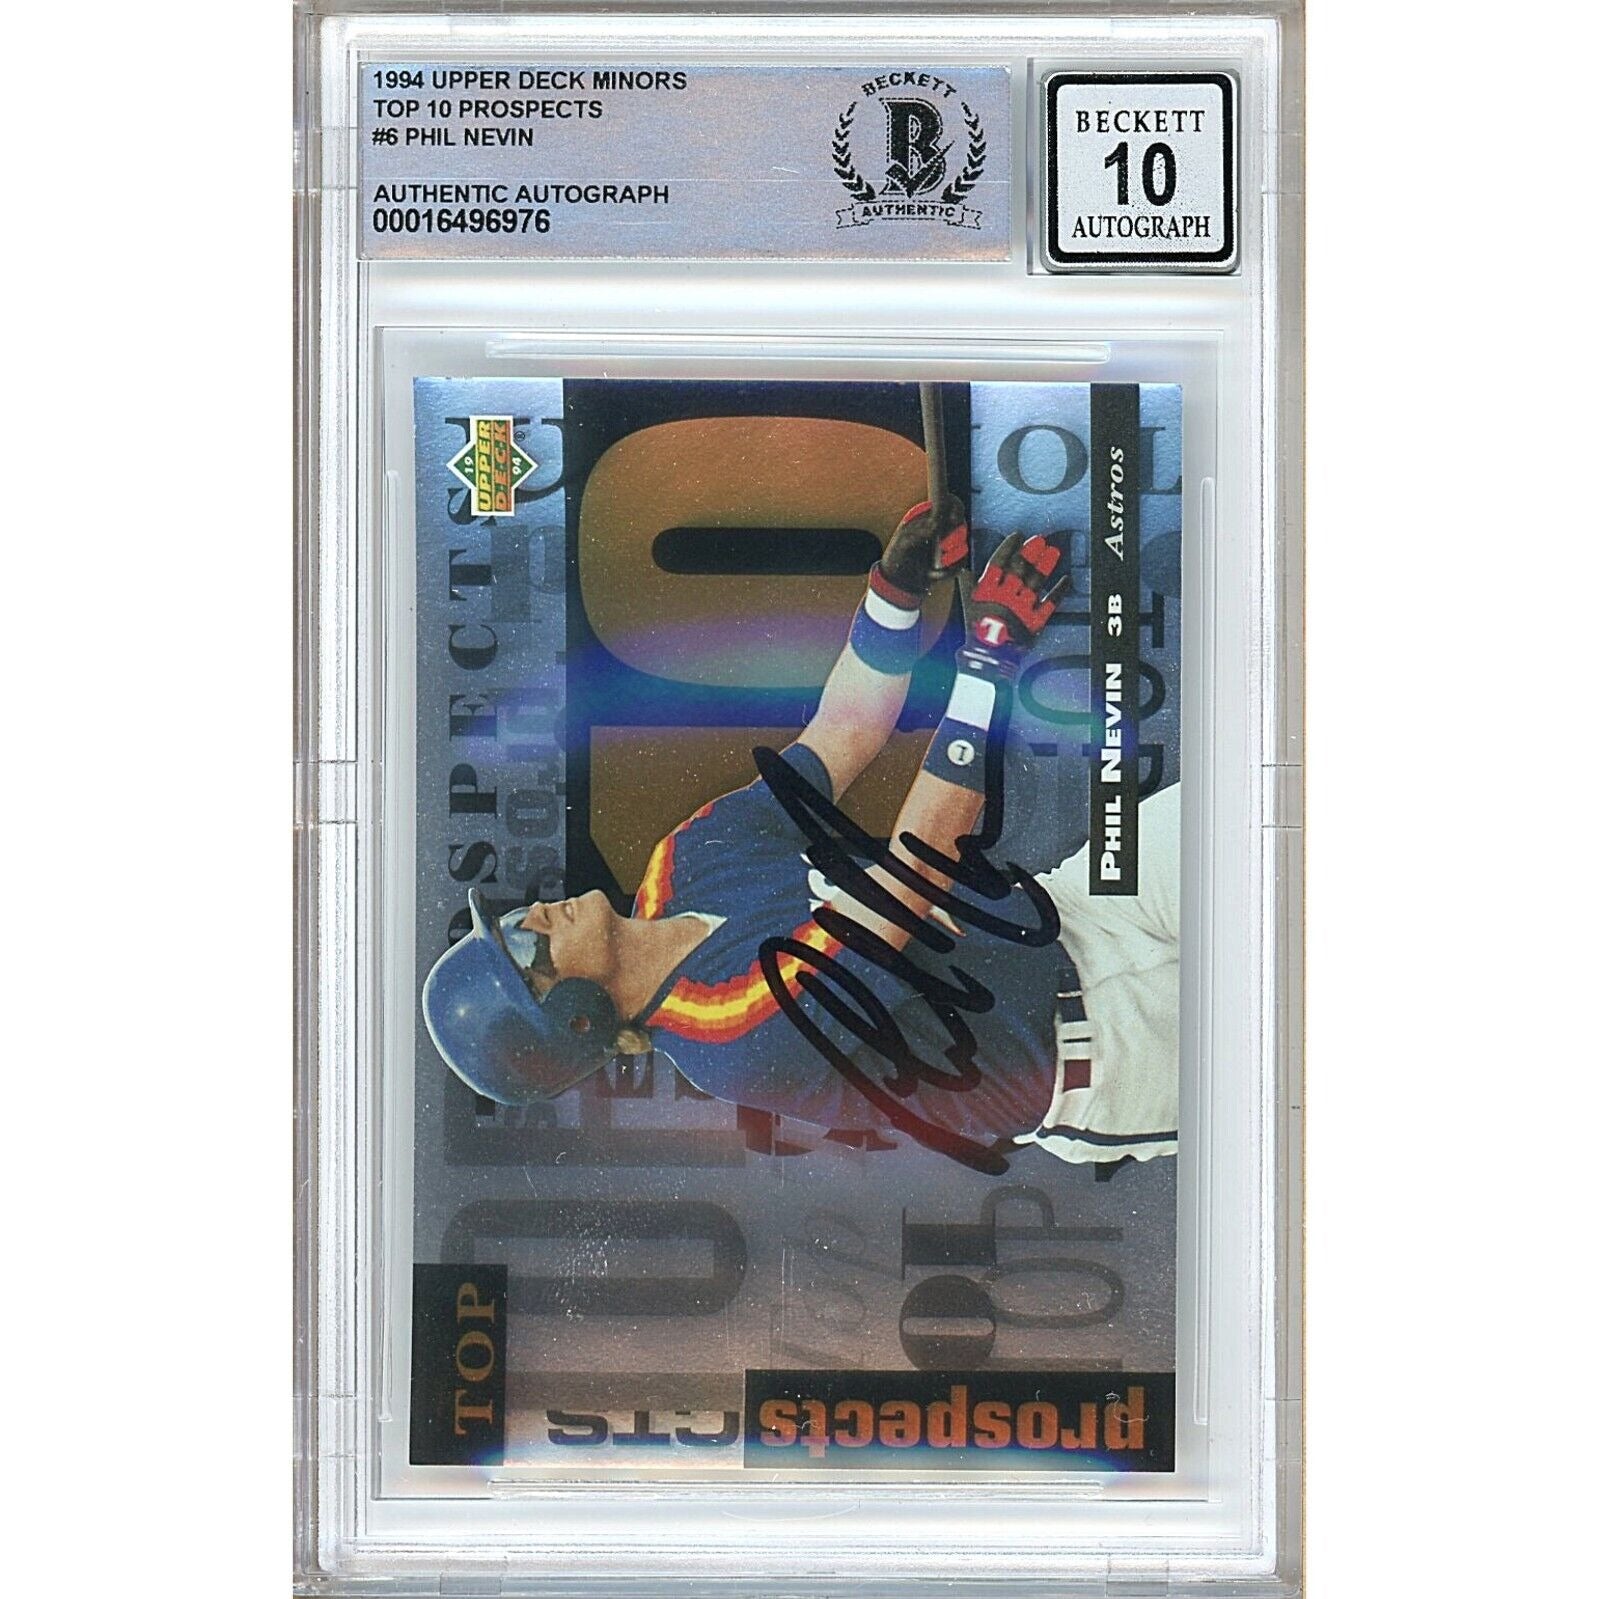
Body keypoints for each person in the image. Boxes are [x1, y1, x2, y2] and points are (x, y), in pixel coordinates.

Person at [424, 499, 1179, 1171]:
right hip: (1108, 1053)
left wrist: (894, 595)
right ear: (575, 1017)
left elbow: (839, 734)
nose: (531, 917)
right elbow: (915, 871)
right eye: (524, 949)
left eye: (512, 921)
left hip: (1075, 911)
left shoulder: (678, 866)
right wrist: (987, 662)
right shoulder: (729, 1039)